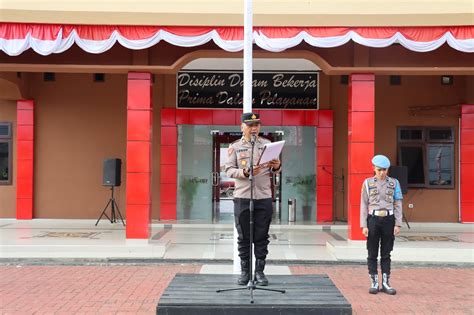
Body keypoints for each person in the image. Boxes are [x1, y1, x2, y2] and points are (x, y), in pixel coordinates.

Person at [225, 112, 281, 286]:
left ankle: (260, 272)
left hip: (263, 196)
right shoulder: (235, 147)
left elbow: (275, 168)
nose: (254, 128)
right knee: (244, 237)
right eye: (250, 125)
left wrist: (277, 166)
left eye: (257, 124)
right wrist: (245, 173)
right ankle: (245, 272)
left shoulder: (268, 144)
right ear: (242, 127)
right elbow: (228, 170)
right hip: (242, 197)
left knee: (262, 236)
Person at [360, 154, 403, 295]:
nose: (382, 173)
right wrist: (364, 225)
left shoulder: (394, 183)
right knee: (372, 252)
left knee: (386, 252)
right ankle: (374, 281)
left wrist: (398, 224)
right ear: (373, 168)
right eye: (379, 170)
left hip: (389, 220)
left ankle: (385, 282)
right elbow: (363, 204)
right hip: (373, 220)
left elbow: (398, 203)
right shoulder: (367, 183)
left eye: (384, 170)